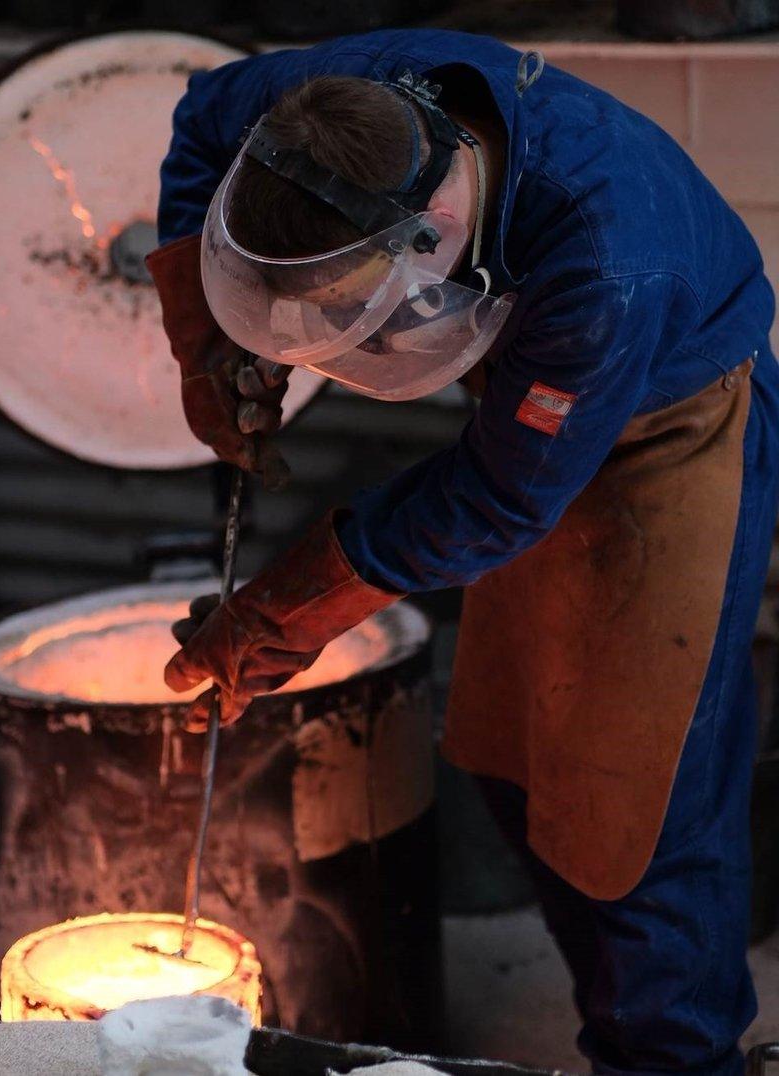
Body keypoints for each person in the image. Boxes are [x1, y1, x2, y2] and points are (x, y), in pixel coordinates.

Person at [146, 28, 779, 1076]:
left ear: (433, 230)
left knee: (631, 802)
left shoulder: (605, 263)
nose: (333, 328)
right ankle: (624, 1023)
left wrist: (277, 614)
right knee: (516, 749)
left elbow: (493, 497)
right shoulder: (309, 105)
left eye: (348, 305)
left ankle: (673, 1058)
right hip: (524, 411)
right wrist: (208, 344)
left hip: (667, 428)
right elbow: (198, 118)